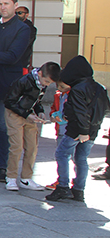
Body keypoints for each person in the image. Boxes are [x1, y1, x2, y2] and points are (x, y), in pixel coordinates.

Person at [46, 56, 108, 204]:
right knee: (81, 159)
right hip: (93, 129)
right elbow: (104, 109)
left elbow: (80, 112)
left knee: (62, 154)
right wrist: (91, 129)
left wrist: (82, 131)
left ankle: (62, 187)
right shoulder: (100, 88)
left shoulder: (77, 89)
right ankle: (79, 190)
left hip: (77, 130)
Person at [0, 0, 34, 182]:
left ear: (15, 5)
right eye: (0, 4)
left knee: (4, 128)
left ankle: (5, 168)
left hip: (7, 84)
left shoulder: (22, 29)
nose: (2, 7)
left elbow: (14, 56)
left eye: (6, 4)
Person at [3, 61, 59, 191]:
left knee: (32, 147)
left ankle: (26, 178)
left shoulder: (41, 83)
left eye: (49, 83)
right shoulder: (23, 81)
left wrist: (40, 112)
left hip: (29, 114)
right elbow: (9, 102)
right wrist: (27, 115)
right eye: (46, 81)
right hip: (15, 114)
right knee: (16, 147)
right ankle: (11, 177)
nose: (47, 84)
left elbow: (37, 100)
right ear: (39, 73)